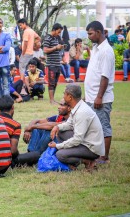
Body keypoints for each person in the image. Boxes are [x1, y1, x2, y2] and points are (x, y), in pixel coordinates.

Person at [49, 84, 105, 171]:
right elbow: (69, 124)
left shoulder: (81, 112)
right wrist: (57, 127)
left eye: (64, 94)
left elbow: (77, 139)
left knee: (60, 154)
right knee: (60, 131)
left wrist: (58, 146)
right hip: (85, 142)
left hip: (91, 149)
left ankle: (87, 161)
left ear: (70, 97)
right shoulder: (77, 107)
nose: (63, 96)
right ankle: (77, 155)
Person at [85, 20, 115, 164]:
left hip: (101, 98)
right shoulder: (96, 48)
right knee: (93, 128)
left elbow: (105, 76)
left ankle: (104, 157)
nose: (89, 36)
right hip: (92, 97)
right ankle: (96, 154)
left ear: (98, 32)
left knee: (103, 127)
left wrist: (99, 97)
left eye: (90, 33)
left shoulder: (106, 51)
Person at [43, 23, 64, 104]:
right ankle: (51, 100)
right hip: (51, 64)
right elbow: (45, 50)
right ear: (54, 30)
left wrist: (60, 48)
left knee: (55, 83)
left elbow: (54, 49)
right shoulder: (48, 38)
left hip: (57, 63)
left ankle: (53, 99)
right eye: (58, 32)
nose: (59, 34)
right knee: (51, 83)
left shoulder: (55, 38)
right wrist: (56, 47)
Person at [17, 18, 41, 83]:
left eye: (21, 25)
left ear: (24, 23)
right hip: (31, 53)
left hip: (26, 52)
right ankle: (27, 83)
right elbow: (39, 38)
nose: (20, 27)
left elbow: (25, 43)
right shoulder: (31, 30)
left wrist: (23, 52)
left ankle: (21, 83)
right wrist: (33, 43)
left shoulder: (26, 31)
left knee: (22, 67)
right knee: (28, 68)